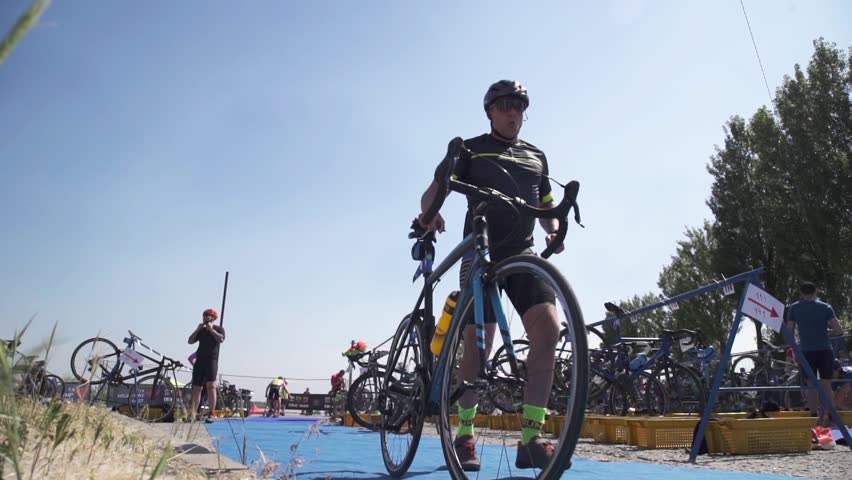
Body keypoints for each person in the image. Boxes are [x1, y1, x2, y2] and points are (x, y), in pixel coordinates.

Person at [417, 80, 564, 471]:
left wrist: (553, 229)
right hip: (479, 252)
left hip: (522, 253)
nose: (512, 112)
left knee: (549, 330)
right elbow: (434, 191)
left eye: (518, 106)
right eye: (504, 106)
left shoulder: (537, 156)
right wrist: (430, 214)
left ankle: (531, 437)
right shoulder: (470, 148)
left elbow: (547, 204)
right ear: (490, 112)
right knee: (478, 345)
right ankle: (464, 433)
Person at [786, 282, 845, 417]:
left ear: (801, 293)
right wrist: (828, 332)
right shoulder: (826, 307)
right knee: (826, 383)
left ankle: (813, 415)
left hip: (805, 351)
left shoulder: (794, 308)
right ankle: (830, 414)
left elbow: (789, 330)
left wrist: (794, 347)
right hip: (825, 350)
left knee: (811, 384)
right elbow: (839, 330)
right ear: (816, 292)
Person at [188, 308, 226, 423]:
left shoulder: (219, 329)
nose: (204, 317)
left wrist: (211, 330)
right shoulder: (201, 330)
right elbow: (190, 341)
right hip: (200, 360)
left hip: (211, 361)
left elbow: (221, 339)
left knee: (211, 386)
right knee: (196, 388)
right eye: (203, 315)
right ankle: (194, 413)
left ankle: (211, 412)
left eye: (207, 315)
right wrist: (197, 330)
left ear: (213, 317)